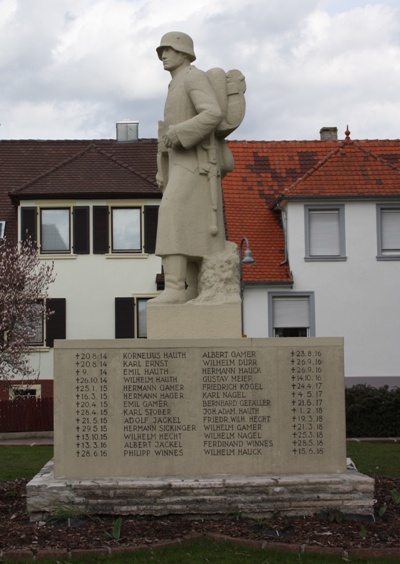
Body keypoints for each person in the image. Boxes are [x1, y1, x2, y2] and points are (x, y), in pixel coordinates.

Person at [151, 31, 232, 304]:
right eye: (162, 50)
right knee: (189, 225)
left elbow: (212, 113)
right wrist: (163, 169)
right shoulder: (174, 84)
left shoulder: (193, 77)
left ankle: (174, 287)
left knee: (172, 215)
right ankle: (193, 289)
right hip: (178, 162)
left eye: (169, 50)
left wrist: (181, 132)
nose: (163, 55)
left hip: (196, 162)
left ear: (184, 52)